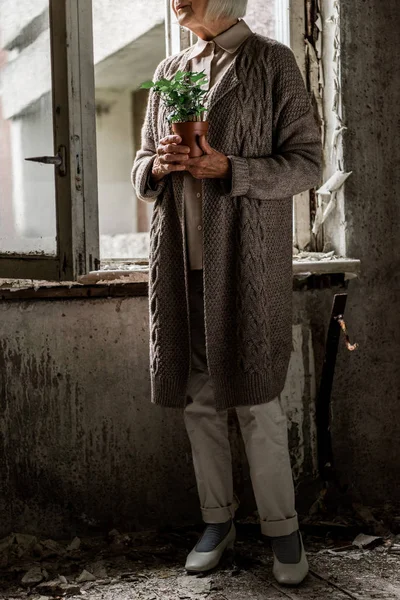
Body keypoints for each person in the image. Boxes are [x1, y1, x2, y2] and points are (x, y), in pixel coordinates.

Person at [132, 0, 322, 586]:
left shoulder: (272, 62)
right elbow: (140, 167)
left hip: (247, 266)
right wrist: (161, 166)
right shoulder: (170, 71)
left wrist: (230, 169)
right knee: (199, 399)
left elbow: (308, 165)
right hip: (179, 268)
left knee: (257, 398)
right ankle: (217, 521)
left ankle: (282, 528)